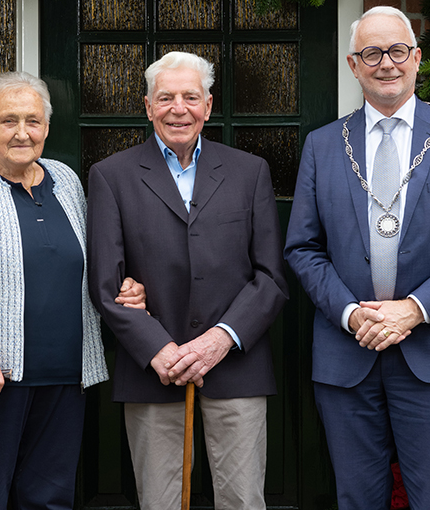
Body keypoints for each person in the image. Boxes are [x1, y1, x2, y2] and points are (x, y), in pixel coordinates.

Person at [284, 7, 430, 510]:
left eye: (397, 51)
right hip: (348, 353)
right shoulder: (323, 145)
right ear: (353, 64)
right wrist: (351, 314)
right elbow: (303, 248)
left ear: (417, 58)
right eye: (371, 53)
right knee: (357, 498)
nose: (386, 63)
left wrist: (413, 309)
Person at [0, 71, 144, 510]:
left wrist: (122, 287)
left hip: (64, 379)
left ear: (47, 128)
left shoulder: (66, 181)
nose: (22, 133)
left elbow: (85, 264)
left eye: (33, 121)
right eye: (9, 121)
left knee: (49, 502)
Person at [87, 52, 289, 510]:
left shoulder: (249, 171)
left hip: (236, 367)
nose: (178, 108)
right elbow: (105, 285)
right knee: (159, 502)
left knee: (243, 501)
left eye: (190, 97)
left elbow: (271, 278)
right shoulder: (111, 176)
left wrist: (220, 339)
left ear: (208, 106)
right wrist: (158, 349)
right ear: (148, 107)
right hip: (152, 372)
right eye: (166, 98)